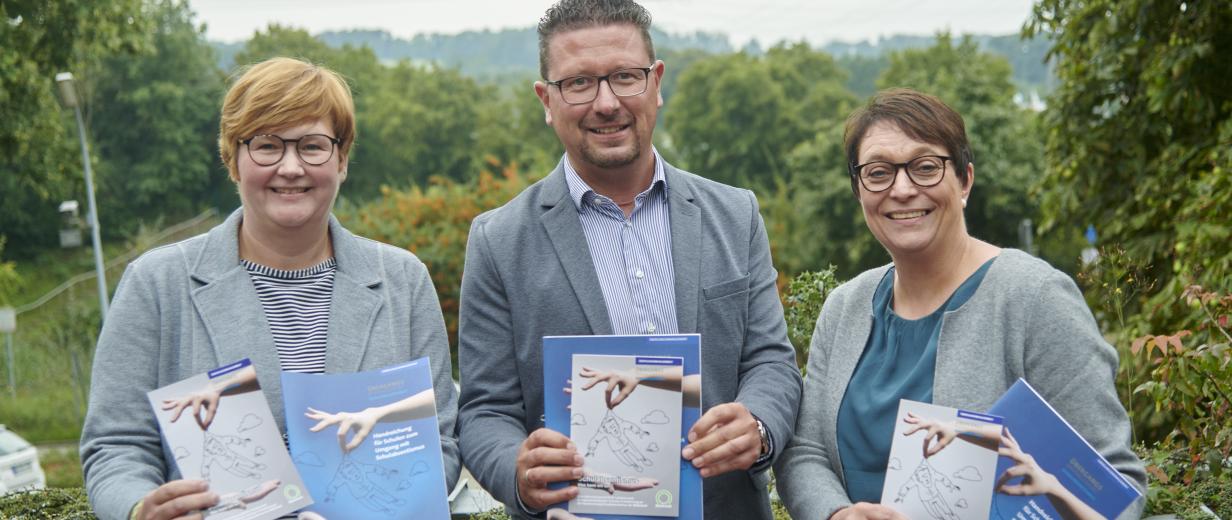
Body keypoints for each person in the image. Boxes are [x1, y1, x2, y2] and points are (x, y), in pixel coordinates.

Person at [456, 1, 801, 518]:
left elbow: (771, 361)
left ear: (657, 82)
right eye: (578, 83)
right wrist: (517, 469)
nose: (606, 102)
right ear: (546, 99)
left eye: (624, 77)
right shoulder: (498, 240)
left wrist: (757, 425)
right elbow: (485, 410)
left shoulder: (735, 214)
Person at [79, 57, 460, 520]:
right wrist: (140, 508)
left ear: (341, 159)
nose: (291, 166)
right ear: (232, 159)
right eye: (266, 146)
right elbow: (116, 447)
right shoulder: (156, 285)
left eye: (313, 146)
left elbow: (439, 442)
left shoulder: (403, 280)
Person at [773, 88, 1145, 520]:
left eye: (925, 167)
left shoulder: (1034, 298)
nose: (902, 188)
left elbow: (1115, 484)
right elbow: (807, 451)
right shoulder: (844, 309)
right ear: (859, 190)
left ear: (965, 179)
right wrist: (837, 515)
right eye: (878, 173)